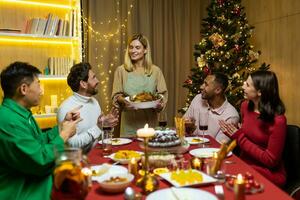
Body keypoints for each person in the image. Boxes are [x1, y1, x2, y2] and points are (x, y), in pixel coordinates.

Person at [0, 61, 81, 200]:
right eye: (38, 84)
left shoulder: (20, 114)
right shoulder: (8, 121)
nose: (41, 90)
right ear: (24, 89)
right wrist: (64, 135)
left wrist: (62, 127)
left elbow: (37, 142)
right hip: (24, 191)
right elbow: (41, 161)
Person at [219, 71, 286, 187]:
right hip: (244, 163)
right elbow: (246, 136)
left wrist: (239, 136)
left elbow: (270, 161)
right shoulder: (245, 106)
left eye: (248, 85)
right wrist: (234, 132)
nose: (243, 86)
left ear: (260, 92)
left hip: (267, 172)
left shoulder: (278, 121)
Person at [112, 34, 168, 137]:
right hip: (129, 125)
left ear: (145, 50)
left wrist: (160, 104)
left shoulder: (155, 71)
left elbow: (162, 96)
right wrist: (123, 101)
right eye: (131, 47)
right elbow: (116, 96)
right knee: (129, 153)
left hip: (150, 124)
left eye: (137, 47)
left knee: (150, 152)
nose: (133, 51)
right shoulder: (121, 70)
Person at [58, 62, 118, 154]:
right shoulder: (66, 108)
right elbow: (72, 144)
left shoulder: (94, 102)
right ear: (83, 84)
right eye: (93, 78)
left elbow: (98, 134)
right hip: (76, 162)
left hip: (96, 156)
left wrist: (107, 125)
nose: (97, 81)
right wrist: (98, 127)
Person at [183, 72, 239, 143]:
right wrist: (186, 126)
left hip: (209, 153)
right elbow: (183, 124)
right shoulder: (198, 99)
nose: (201, 87)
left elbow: (218, 147)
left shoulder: (231, 116)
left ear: (218, 90)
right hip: (189, 147)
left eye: (206, 84)